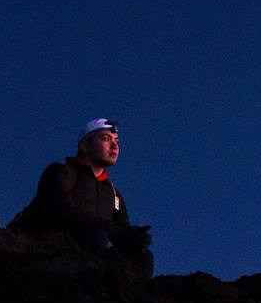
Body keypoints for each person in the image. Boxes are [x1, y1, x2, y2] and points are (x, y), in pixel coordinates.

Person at [10, 118, 154, 278]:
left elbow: (121, 233)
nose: (114, 146)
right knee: (97, 234)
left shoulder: (114, 196)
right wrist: (108, 227)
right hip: (45, 251)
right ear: (85, 145)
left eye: (117, 141)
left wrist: (135, 239)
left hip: (91, 256)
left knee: (143, 258)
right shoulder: (61, 172)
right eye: (106, 139)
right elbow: (59, 209)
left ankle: (127, 298)